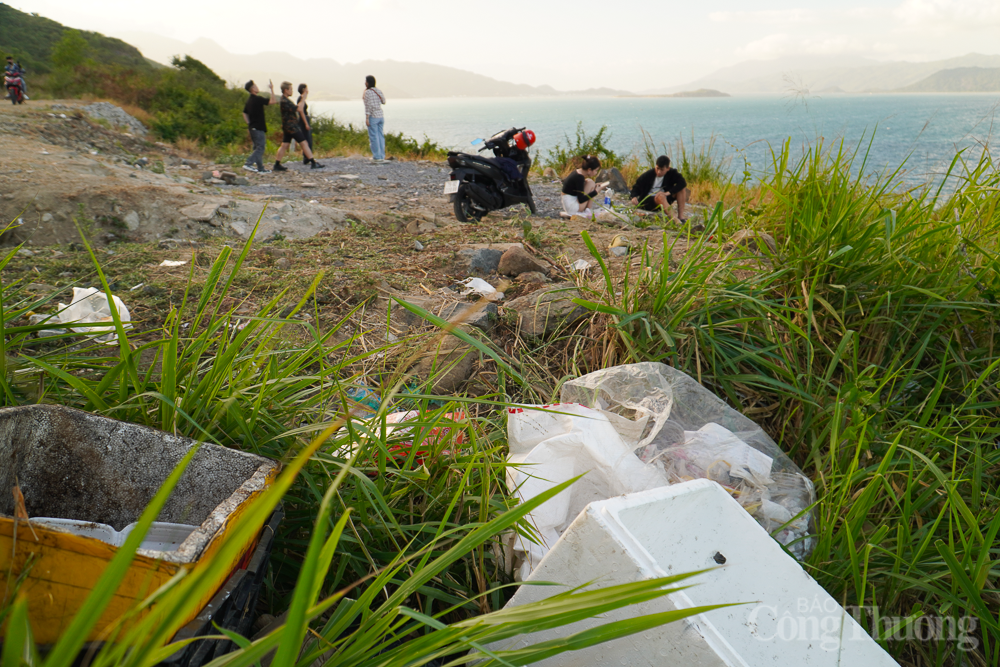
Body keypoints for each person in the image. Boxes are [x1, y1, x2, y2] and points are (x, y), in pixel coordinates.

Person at [273, 81, 324, 172]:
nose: (292, 91)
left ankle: (277, 164)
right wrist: (303, 97)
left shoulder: (284, 100)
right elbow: (299, 109)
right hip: (292, 127)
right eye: (290, 89)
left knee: (284, 145)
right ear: (286, 90)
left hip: (287, 127)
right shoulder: (285, 101)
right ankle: (313, 162)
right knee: (304, 143)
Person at [630, 155, 688, 221]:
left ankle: (681, 217)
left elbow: (683, 183)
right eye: (657, 168)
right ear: (655, 166)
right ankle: (675, 220)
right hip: (649, 202)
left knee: (681, 189)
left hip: (665, 198)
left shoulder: (672, 173)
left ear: (668, 169)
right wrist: (633, 197)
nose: (659, 172)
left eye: (662, 170)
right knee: (660, 196)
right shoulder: (648, 175)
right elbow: (636, 187)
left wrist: (668, 193)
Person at [242, 80, 276, 173]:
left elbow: (244, 113)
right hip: (258, 127)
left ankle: (260, 168)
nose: (257, 87)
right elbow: (273, 101)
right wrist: (272, 89)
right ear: (252, 89)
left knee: (257, 148)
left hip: (252, 128)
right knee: (260, 148)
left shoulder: (249, 100)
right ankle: (248, 163)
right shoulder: (257, 99)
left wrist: (249, 124)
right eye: (255, 86)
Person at [363, 75, 386, 163]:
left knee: (373, 137)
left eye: (365, 81)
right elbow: (383, 101)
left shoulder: (368, 92)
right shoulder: (378, 90)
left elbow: (368, 106)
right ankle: (382, 156)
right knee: (380, 136)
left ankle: (377, 156)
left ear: (368, 82)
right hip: (381, 115)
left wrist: (367, 118)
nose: (365, 83)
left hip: (373, 116)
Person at [296, 83, 314, 165]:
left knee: (307, 138)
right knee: (307, 139)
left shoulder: (302, 98)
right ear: (303, 89)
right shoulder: (301, 98)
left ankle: (307, 156)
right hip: (303, 119)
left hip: (304, 119)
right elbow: (301, 111)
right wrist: (306, 123)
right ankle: (307, 157)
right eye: (306, 88)